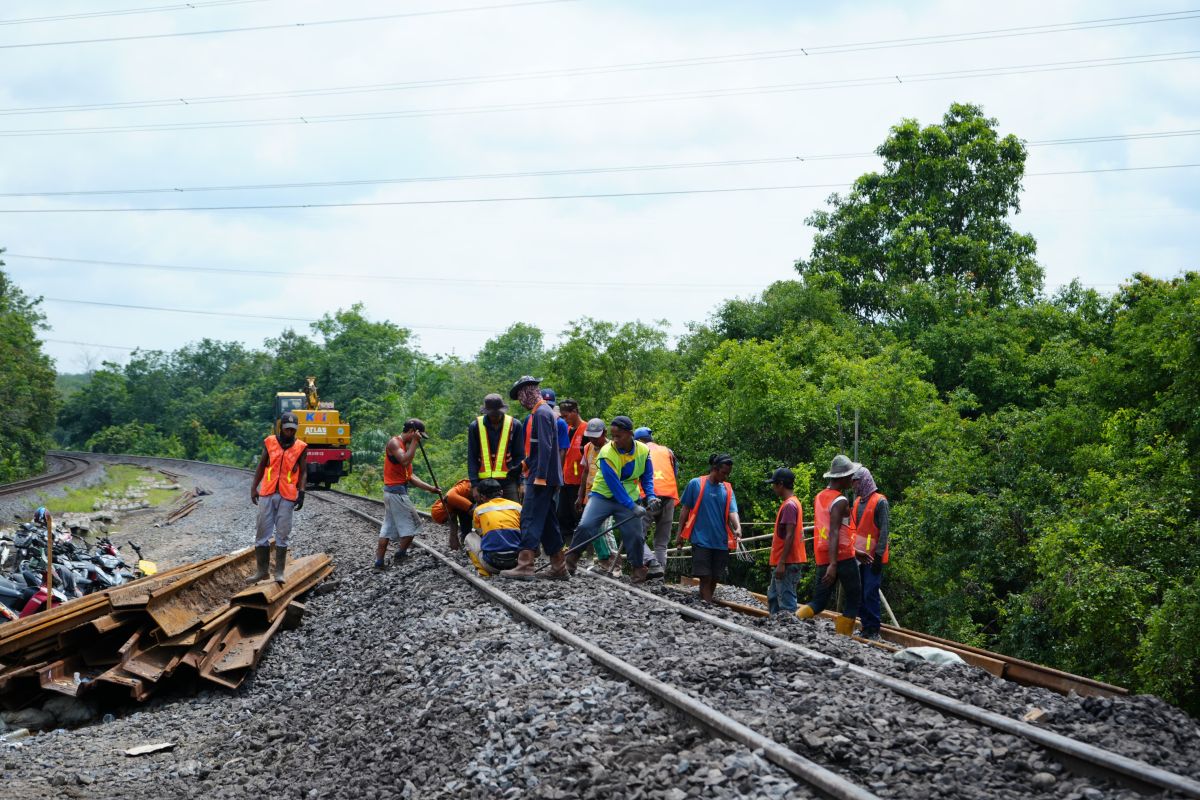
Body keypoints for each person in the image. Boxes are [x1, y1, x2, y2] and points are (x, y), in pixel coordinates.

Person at [566, 416, 658, 582]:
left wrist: (651, 496)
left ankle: (638, 568)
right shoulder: (607, 452)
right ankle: (570, 561)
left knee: (635, 535)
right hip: (603, 496)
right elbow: (613, 484)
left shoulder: (643, 450)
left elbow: (647, 477)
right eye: (613, 436)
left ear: (630, 434)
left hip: (629, 496)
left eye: (619, 436)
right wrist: (632, 506)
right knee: (586, 526)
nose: (615, 440)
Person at [501, 376, 568, 579]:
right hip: (545, 475)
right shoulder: (542, 412)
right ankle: (559, 567)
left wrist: (539, 477)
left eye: (520, 396)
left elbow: (546, 447)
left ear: (527, 393)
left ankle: (525, 565)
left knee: (529, 517)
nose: (521, 401)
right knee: (547, 522)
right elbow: (538, 449)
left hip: (542, 478)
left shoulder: (541, 413)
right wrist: (523, 466)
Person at [797, 455, 861, 636]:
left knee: (819, 602)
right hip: (842, 556)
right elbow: (834, 531)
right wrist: (834, 564)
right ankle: (843, 638)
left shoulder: (819, 497)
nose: (852, 479)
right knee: (854, 597)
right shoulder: (840, 501)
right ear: (842, 478)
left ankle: (794, 620)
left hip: (823, 554)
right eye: (850, 476)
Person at [375, 419, 441, 571]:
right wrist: (415, 442)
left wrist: (431, 488)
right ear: (412, 432)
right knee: (414, 525)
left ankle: (379, 562)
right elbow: (405, 461)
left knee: (387, 528)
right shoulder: (394, 443)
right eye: (419, 436)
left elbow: (410, 477)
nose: (419, 439)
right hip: (396, 492)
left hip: (394, 492)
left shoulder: (403, 447)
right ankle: (400, 555)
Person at [250, 412, 308, 583]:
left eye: (293, 429)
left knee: (283, 532)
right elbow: (262, 465)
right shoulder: (270, 442)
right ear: (281, 427)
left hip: (287, 495)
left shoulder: (301, 447)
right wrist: (254, 488)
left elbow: (303, 472)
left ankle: (279, 573)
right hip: (267, 492)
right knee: (262, 531)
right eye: (287, 429)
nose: (290, 432)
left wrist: (302, 493)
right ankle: (262, 571)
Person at [678, 454, 741, 603]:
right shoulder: (696, 484)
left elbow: (732, 511)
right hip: (701, 539)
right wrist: (679, 534)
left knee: (715, 576)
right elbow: (685, 509)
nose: (725, 476)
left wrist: (738, 527)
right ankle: (707, 604)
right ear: (714, 468)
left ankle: (706, 602)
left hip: (721, 540)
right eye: (723, 473)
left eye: (728, 473)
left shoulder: (727, 489)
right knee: (705, 576)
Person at [634, 427, 679, 578]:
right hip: (669, 495)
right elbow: (674, 473)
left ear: (638, 440)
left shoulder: (638, 450)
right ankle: (659, 576)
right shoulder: (668, 451)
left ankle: (652, 563)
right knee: (661, 542)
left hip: (648, 496)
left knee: (636, 535)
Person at [573, 418, 617, 569]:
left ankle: (615, 563)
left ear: (604, 433)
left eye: (596, 437)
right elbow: (585, 472)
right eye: (590, 436)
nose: (593, 440)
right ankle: (605, 562)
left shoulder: (613, 448)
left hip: (607, 494)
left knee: (605, 528)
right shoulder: (587, 447)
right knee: (592, 528)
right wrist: (580, 496)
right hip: (591, 495)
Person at [852, 466, 890, 641]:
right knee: (859, 593)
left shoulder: (880, 502)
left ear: (864, 481)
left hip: (873, 557)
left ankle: (873, 628)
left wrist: (879, 556)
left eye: (855, 482)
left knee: (870, 592)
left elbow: (884, 531)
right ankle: (865, 626)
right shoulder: (857, 502)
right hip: (858, 556)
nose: (853, 485)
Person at [467, 394, 524, 502]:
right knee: (484, 511)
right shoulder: (475, 427)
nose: (495, 417)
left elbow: (519, 456)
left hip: (508, 481)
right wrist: (474, 485)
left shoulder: (515, 425)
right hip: (484, 483)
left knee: (513, 509)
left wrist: (521, 482)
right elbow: (472, 457)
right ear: (486, 412)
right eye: (492, 415)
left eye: (497, 414)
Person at [766, 468, 806, 615]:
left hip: (787, 562)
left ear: (781, 484)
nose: (773, 487)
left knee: (787, 603)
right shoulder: (792, 503)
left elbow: (790, 535)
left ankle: (789, 628)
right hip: (784, 561)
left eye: (774, 484)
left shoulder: (789, 505)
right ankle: (774, 625)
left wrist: (782, 563)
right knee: (773, 597)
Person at [465, 479, 524, 576]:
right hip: (518, 563)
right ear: (501, 492)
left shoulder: (479, 510)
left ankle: (484, 573)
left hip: (492, 564)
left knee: (470, 537)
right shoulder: (517, 506)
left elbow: (480, 533)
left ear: (483, 497)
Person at [557, 399, 587, 547]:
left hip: (579, 482)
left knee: (579, 516)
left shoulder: (586, 429)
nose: (564, 419)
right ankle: (568, 547)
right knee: (563, 515)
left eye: (566, 415)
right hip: (565, 480)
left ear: (574, 412)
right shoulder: (567, 429)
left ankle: (584, 548)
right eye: (562, 416)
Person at [433, 479, 475, 551]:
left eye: (445, 519)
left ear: (445, 513)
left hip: (476, 492)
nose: (448, 520)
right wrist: (453, 537)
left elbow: (474, 512)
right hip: (469, 499)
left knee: (471, 515)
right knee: (464, 518)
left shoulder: (450, 498)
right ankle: (467, 542)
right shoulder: (450, 508)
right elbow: (453, 524)